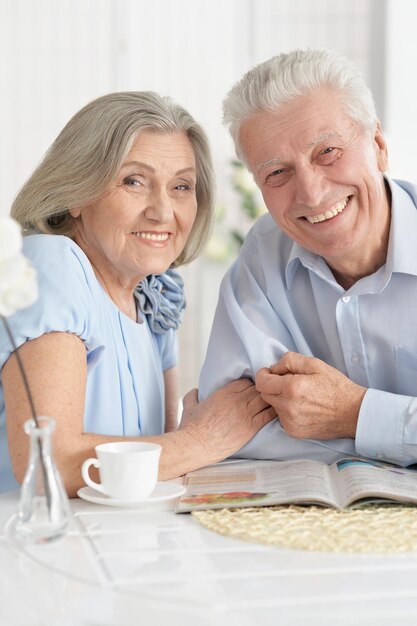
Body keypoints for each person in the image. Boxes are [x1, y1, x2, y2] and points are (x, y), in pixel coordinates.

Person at [0, 91, 276, 495]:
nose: (163, 212)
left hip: (120, 542)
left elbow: (158, 460)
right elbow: (48, 464)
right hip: (34, 547)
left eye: (182, 186)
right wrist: (203, 439)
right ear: (77, 193)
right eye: (134, 181)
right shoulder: (52, 264)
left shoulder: (155, 293)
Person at [199, 48, 417, 467]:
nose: (312, 194)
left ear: (378, 145)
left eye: (328, 152)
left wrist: (355, 415)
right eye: (277, 173)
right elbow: (232, 427)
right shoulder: (265, 253)